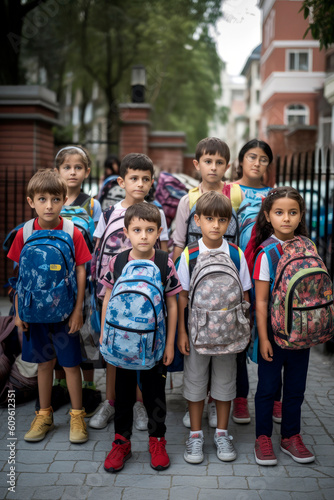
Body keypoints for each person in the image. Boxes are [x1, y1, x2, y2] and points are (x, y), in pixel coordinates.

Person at [7, 169, 92, 443]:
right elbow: (19, 276)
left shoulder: (72, 231)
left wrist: (78, 310)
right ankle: (44, 415)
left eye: (55, 199)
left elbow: (82, 272)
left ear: (64, 200)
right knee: (44, 365)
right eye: (42, 199)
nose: (49, 205)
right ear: (31, 201)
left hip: (66, 313)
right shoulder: (24, 232)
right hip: (35, 314)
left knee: (70, 366)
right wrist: (19, 312)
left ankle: (77, 416)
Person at [99, 203, 181, 472]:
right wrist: (103, 334)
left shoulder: (163, 262)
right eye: (137, 230)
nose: (143, 235)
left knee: (154, 396)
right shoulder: (118, 261)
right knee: (122, 395)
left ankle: (157, 441)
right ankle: (121, 442)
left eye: (149, 230)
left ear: (158, 232)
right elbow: (108, 298)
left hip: (155, 346)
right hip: (121, 345)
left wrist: (170, 343)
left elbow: (173, 303)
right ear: (126, 232)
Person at [90, 153, 168, 431]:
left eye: (146, 179)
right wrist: (100, 290)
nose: (140, 184)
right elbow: (98, 251)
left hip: (147, 299)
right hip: (112, 292)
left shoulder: (156, 213)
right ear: (121, 181)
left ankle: (139, 405)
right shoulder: (110, 213)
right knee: (115, 348)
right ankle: (111, 402)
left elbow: (164, 252)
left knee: (143, 347)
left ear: (151, 183)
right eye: (134, 178)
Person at [172, 137, 243, 428]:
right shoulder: (187, 200)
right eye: (208, 161)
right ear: (196, 164)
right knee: (198, 358)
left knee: (225, 358)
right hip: (196, 280)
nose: (213, 167)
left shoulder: (235, 196)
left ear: (227, 166)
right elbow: (177, 243)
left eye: (219, 162)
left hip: (227, 284)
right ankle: (198, 406)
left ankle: (219, 405)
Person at [177, 191, 252, 464]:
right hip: (197, 334)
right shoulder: (190, 254)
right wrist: (182, 332)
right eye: (209, 218)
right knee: (195, 384)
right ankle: (195, 436)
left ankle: (222, 433)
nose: (216, 225)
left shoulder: (235, 253)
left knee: (224, 384)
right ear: (197, 220)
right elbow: (181, 295)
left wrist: (246, 328)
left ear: (229, 223)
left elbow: (245, 294)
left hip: (229, 335)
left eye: (222, 220)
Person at [252, 186, 315, 466]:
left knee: (295, 389)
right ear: (268, 215)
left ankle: (291, 435)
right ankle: (262, 437)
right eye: (279, 212)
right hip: (274, 336)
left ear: (300, 215)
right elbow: (261, 302)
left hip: (302, 333)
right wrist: (263, 338)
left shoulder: (308, 246)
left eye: (293, 212)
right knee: (267, 388)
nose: (286, 218)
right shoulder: (266, 253)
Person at [230, 140, 281, 426]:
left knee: (273, 334)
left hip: (272, 276)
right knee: (239, 336)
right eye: (252, 156)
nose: (257, 163)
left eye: (263, 159)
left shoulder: (275, 194)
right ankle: (239, 397)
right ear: (241, 160)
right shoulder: (230, 190)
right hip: (240, 273)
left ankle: (274, 397)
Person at [55, 145, 102, 416]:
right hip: (55, 284)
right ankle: (59, 384)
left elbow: (96, 245)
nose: (72, 172)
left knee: (86, 335)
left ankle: (89, 388)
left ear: (86, 171)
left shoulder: (92, 205)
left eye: (77, 167)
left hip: (84, 281)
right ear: (57, 171)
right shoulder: (51, 199)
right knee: (57, 332)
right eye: (66, 167)